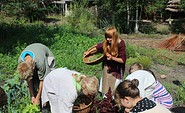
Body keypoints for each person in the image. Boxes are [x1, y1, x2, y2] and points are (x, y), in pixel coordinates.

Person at [83, 26, 126, 95]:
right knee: (105, 83)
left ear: (115, 37)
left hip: (116, 69)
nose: (108, 39)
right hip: (107, 66)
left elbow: (122, 60)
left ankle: (114, 99)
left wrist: (112, 58)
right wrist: (89, 52)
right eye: (107, 37)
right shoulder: (107, 42)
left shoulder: (120, 44)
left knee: (115, 86)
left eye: (110, 38)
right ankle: (105, 97)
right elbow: (98, 47)